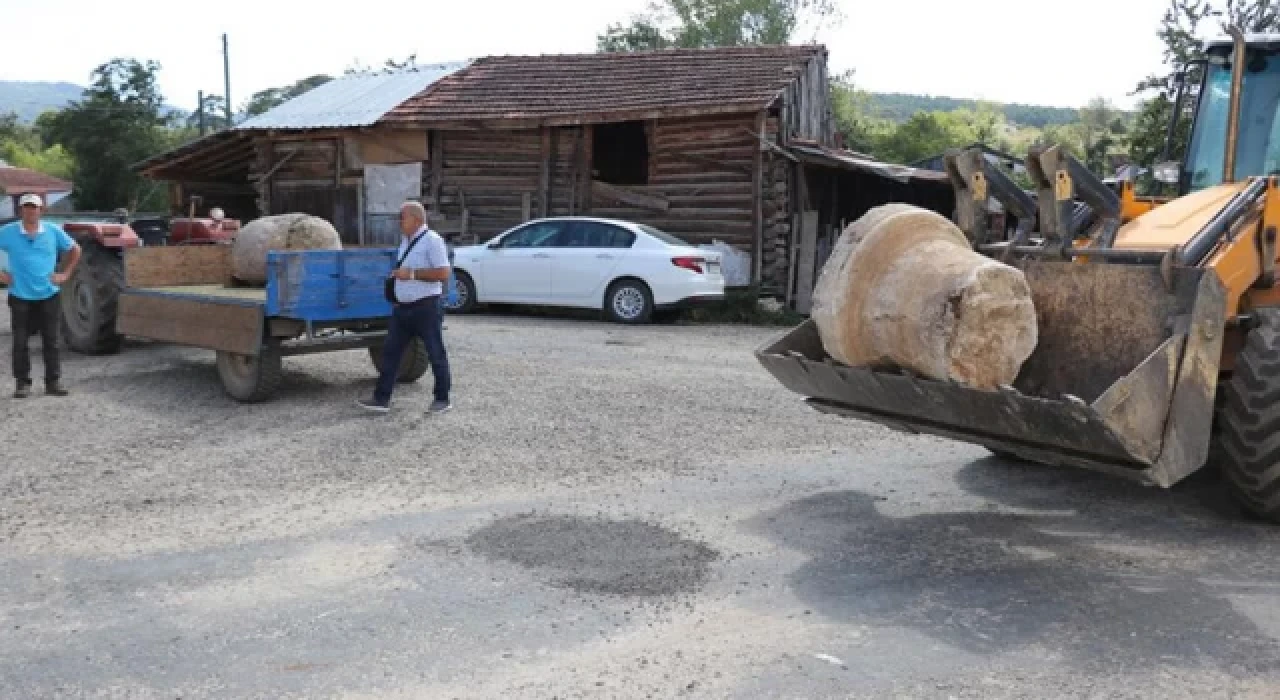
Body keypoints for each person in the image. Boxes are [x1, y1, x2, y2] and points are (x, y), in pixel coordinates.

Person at [358, 200, 452, 414]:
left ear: (416, 219)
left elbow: (443, 273)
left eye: (402, 217)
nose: (399, 222)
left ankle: (442, 399)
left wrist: (411, 274)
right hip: (403, 308)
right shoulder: (405, 241)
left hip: (426, 307)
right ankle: (381, 399)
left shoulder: (432, 241)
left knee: (435, 353)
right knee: (390, 354)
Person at [0, 193, 81, 398]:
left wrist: (65, 274)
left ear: (41, 210)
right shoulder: (8, 232)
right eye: (26, 207)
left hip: (48, 295)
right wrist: (1, 274)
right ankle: (22, 383)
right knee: (20, 342)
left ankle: (53, 382)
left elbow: (75, 249)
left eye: (34, 207)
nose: (30, 210)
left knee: (51, 341)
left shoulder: (52, 231)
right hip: (20, 296)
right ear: (20, 211)